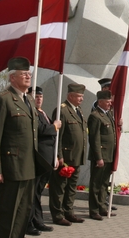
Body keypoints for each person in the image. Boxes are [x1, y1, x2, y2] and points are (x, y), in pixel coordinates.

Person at [0, 57, 41, 238]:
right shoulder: (3, 99)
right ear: (12, 77)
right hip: (11, 168)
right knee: (7, 214)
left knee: (22, 214)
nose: (28, 76)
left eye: (29, 73)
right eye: (24, 74)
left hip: (29, 167)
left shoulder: (29, 100)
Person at [49, 83, 88, 226]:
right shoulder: (62, 111)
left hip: (76, 157)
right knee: (59, 187)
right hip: (65, 157)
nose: (81, 99)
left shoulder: (78, 111)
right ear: (70, 96)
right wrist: (59, 155)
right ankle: (58, 215)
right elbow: (57, 136)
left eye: (82, 96)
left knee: (71, 188)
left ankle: (69, 212)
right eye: (79, 96)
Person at [27, 86, 61, 236]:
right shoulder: (32, 112)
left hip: (47, 159)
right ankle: (29, 223)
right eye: (36, 96)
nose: (39, 99)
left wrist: (55, 156)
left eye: (40, 96)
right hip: (38, 158)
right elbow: (40, 130)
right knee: (32, 193)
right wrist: (54, 126)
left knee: (38, 192)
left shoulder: (42, 112)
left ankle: (37, 220)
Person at [88, 90, 117, 221]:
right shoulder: (95, 116)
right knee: (96, 184)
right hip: (100, 155)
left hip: (109, 155)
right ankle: (94, 210)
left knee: (104, 183)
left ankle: (102, 207)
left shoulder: (108, 115)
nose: (110, 103)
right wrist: (98, 157)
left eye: (110, 101)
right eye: (107, 101)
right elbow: (94, 139)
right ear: (100, 102)